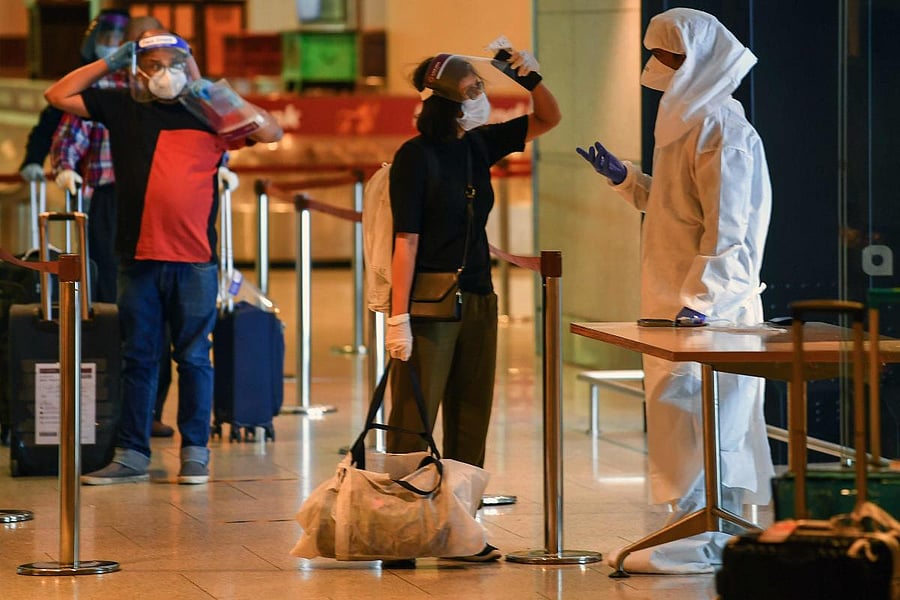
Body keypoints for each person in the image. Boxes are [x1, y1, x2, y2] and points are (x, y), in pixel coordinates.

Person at [577, 7, 774, 573]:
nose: (654, 65)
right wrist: (626, 180)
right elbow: (672, 209)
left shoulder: (724, 129)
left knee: (711, 423)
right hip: (672, 304)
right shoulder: (685, 121)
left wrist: (703, 300)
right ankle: (688, 526)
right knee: (676, 424)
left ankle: (711, 537)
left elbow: (736, 229)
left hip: (711, 310)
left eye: (665, 55)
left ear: (695, 57)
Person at [44, 29, 282, 485]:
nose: (163, 74)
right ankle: (132, 452)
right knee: (139, 356)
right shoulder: (123, 107)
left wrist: (209, 88)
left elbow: (271, 132)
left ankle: (195, 451)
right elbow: (58, 94)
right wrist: (110, 64)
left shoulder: (212, 114)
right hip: (138, 257)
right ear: (139, 70)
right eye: (153, 65)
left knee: (194, 357)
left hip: (194, 259)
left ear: (188, 67)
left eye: (173, 64)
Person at [385, 47, 560, 561]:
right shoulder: (415, 156)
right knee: (412, 418)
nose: (484, 98)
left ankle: (459, 532)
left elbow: (548, 116)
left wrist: (528, 76)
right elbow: (406, 241)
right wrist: (398, 317)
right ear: (451, 101)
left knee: (470, 415)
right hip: (430, 304)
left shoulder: (477, 146)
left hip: (480, 298)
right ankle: (400, 529)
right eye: (476, 90)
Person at [50, 14, 177, 439]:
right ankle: (113, 409)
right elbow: (68, 138)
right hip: (112, 204)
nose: (156, 63)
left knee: (164, 316)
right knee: (117, 306)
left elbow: (214, 134)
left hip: (167, 211)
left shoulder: (179, 97)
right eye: (144, 49)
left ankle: (152, 409)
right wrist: (66, 170)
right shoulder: (110, 96)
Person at [18, 10, 129, 186]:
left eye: (117, 40)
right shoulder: (80, 79)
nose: (110, 45)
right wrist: (34, 158)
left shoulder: (137, 83)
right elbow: (51, 121)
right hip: (88, 180)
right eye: (105, 39)